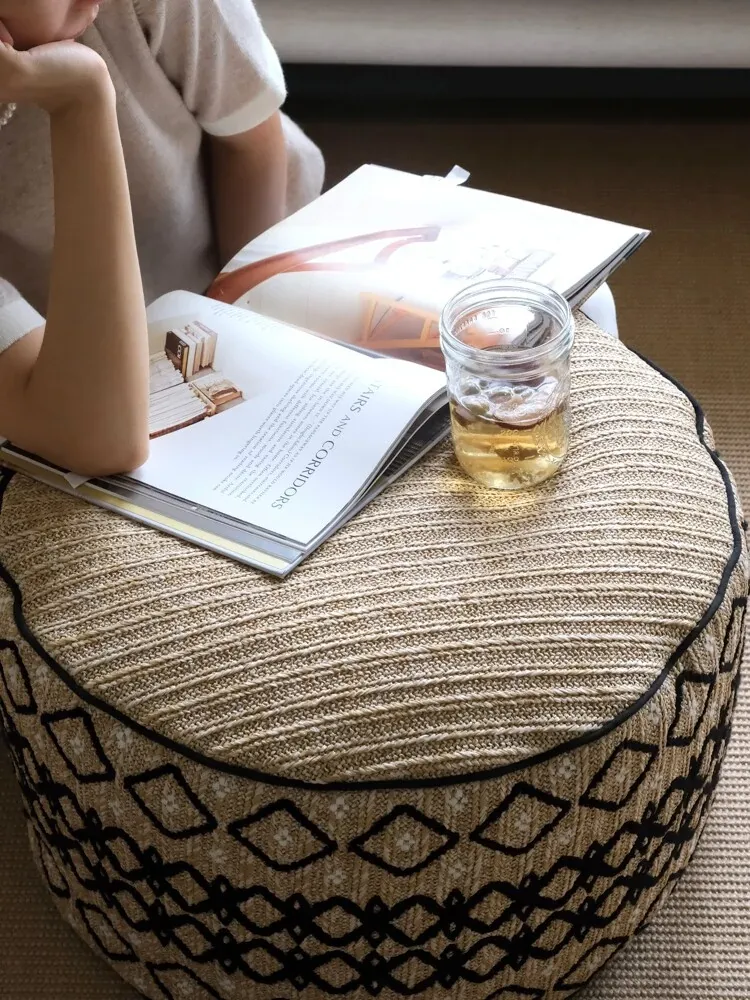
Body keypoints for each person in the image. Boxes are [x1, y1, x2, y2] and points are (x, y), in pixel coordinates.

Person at [0, 0, 324, 476]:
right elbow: (100, 441)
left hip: (252, 268)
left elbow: (250, 146)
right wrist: (81, 98)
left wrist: (245, 330)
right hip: (81, 364)